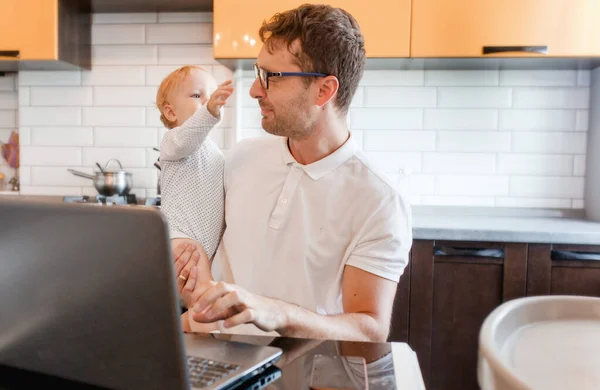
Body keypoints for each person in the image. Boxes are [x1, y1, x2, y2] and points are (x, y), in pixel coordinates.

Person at [175, 3, 412, 342]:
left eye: (272, 77)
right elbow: (197, 260)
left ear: (324, 90)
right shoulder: (241, 158)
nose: (256, 90)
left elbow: (370, 328)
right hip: (210, 358)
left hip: (304, 370)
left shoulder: (379, 200)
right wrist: (187, 271)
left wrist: (277, 312)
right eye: (260, 74)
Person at [156, 65, 234, 296]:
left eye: (209, 96)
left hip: (205, 246)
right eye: (197, 95)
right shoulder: (172, 141)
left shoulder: (212, 149)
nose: (206, 101)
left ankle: (182, 328)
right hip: (182, 240)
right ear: (171, 113)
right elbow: (186, 141)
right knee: (206, 301)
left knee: (202, 304)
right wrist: (209, 111)